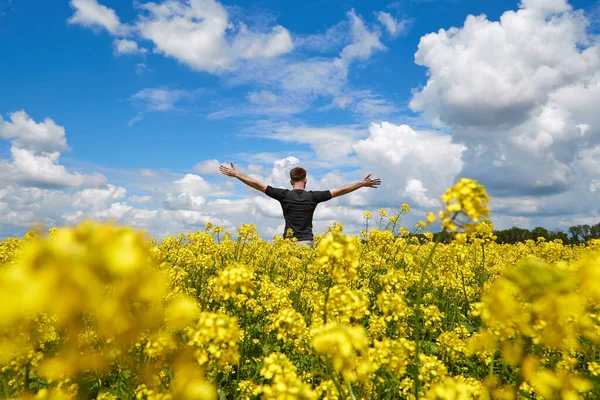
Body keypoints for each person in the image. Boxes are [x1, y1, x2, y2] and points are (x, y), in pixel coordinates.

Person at [219, 163, 382, 246]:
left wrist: (237, 174)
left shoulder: (283, 195)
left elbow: (258, 185)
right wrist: (361, 184)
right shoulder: (313, 197)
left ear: (291, 181)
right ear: (305, 180)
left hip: (287, 243)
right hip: (306, 242)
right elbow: (340, 190)